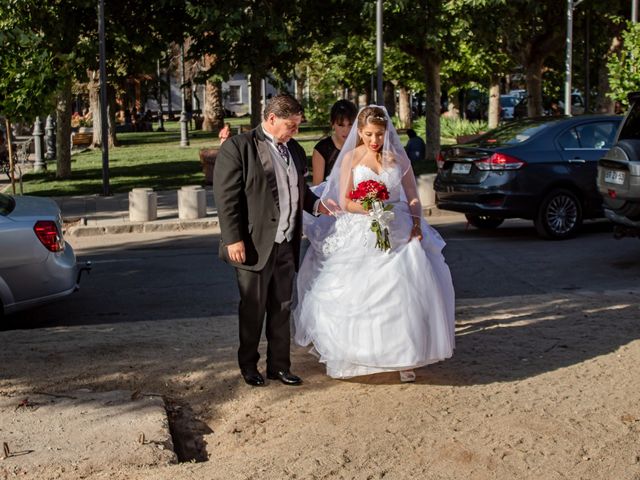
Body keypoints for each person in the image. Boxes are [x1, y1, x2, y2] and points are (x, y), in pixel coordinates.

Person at [294, 105, 455, 383]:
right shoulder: (352, 159)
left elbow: (412, 197)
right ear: (361, 132)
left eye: (379, 134)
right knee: (360, 293)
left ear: (386, 132)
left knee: (405, 292)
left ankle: (406, 357)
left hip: (399, 225)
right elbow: (345, 201)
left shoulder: (399, 159)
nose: (374, 140)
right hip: (362, 226)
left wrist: (416, 223)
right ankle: (359, 354)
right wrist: (371, 209)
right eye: (368, 134)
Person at [213, 94, 328, 387]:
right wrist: (233, 239)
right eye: (291, 125)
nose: (295, 132)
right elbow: (226, 199)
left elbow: (299, 189)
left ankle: (279, 366)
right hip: (253, 244)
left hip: (287, 242)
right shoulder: (239, 147)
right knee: (253, 308)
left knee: (282, 307)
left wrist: (317, 205)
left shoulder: (296, 150)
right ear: (272, 118)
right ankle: (249, 366)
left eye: (297, 126)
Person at [311, 100, 357, 185]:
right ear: (332, 124)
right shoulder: (322, 149)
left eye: (350, 124)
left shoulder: (362, 145)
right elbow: (316, 187)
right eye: (340, 125)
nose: (346, 130)